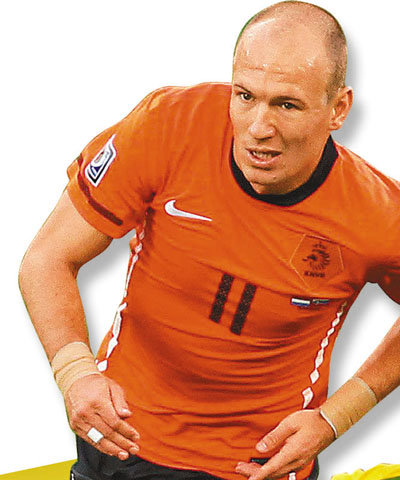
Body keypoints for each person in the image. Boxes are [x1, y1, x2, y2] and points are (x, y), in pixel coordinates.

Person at [18, 1, 400, 480]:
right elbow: (48, 257)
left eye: (287, 105)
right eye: (245, 96)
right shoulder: (169, 125)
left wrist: (335, 417)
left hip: (258, 464)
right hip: (123, 440)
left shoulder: (378, 214)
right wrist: (75, 374)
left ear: (338, 109)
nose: (258, 128)